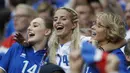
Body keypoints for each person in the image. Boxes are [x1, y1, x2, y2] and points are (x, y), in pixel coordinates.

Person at [48, 7, 90, 73]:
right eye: (55, 20)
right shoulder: (51, 45)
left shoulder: (84, 42)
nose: (58, 22)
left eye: (63, 19)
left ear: (74, 25)